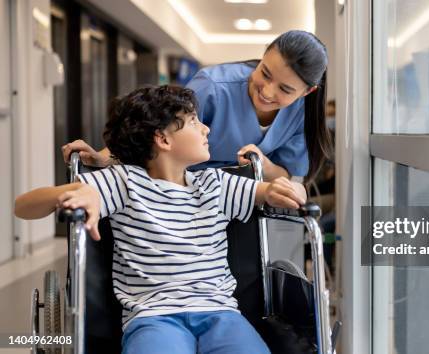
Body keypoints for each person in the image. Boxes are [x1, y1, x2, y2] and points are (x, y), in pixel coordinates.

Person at [15, 85, 306, 354]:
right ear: (163, 138)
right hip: (154, 317)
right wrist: (77, 191)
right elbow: (22, 206)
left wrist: (289, 188)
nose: (206, 128)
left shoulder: (216, 184)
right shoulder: (124, 181)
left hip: (221, 313)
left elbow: (276, 192)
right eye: (193, 121)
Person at [62, 30, 332, 184]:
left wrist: (262, 164)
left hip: (242, 196)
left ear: (308, 91)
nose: (268, 91)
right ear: (262, 57)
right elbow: (155, 130)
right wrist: (104, 158)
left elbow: (286, 171)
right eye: (265, 73)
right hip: (181, 191)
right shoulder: (214, 86)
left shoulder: (301, 113)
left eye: (285, 89)